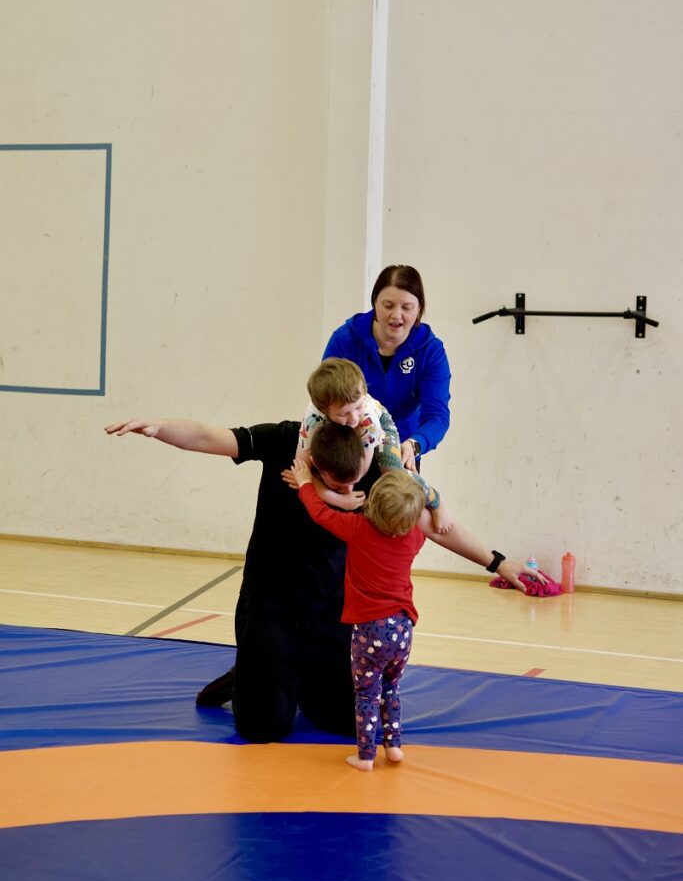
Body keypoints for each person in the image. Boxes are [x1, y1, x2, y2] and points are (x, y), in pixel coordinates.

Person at [105, 416, 537, 745]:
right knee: (264, 730)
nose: (349, 491)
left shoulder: (376, 463)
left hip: (334, 613)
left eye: (356, 481)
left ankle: (287, 675)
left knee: (343, 724)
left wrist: (496, 562)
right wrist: (159, 427)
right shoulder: (284, 441)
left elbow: (432, 524)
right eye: (336, 484)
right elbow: (210, 438)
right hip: (271, 605)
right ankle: (248, 672)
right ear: (312, 461)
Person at [292, 461, 429, 772]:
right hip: (404, 627)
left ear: (372, 505)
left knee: (366, 693)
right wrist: (437, 506)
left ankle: (365, 756)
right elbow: (424, 512)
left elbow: (321, 514)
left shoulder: (359, 530)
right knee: (391, 688)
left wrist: (304, 483)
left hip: (371, 629)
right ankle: (393, 746)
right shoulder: (414, 537)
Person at [297, 357, 451, 533]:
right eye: (344, 413)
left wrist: (341, 491)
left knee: (393, 474)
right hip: (339, 428)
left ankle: (435, 499)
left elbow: (360, 470)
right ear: (324, 410)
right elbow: (300, 469)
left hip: (380, 425)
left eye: (358, 406)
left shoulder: (367, 419)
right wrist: (338, 499)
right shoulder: (313, 418)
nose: (354, 418)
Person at [323, 264, 450, 471]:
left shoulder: (430, 351)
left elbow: (437, 416)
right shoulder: (345, 340)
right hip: (348, 445)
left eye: (406, 308)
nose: (396, 315)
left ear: (419, 309)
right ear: (375, 303)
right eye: (388, 305)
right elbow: (325, 398)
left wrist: (414, 444)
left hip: (400, 449)